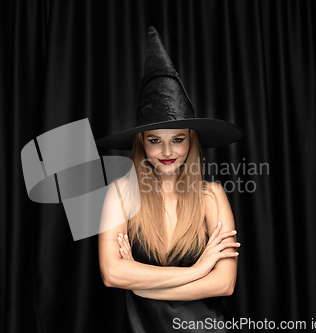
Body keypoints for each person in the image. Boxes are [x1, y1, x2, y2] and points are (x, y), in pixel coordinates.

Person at [96, 27, 243, 333]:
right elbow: (112, 273)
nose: (166, 151)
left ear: (191, 142)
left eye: (177, 139)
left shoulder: (213, 196)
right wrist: (201, 269)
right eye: (154, 140)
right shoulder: (121, 193)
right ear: (142, 144)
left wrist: (141, 284)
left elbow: (225, 283)